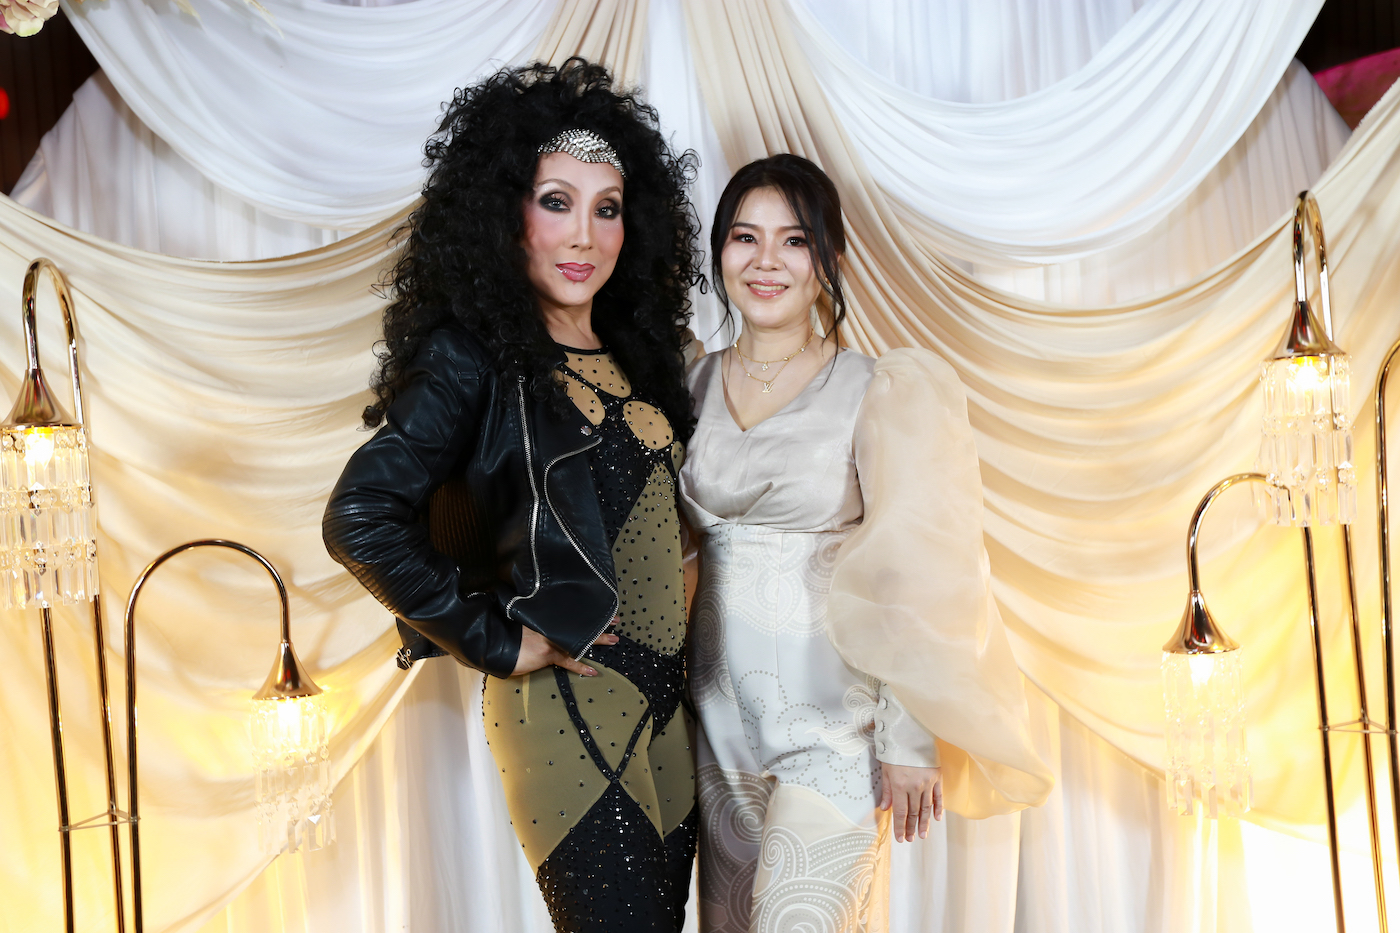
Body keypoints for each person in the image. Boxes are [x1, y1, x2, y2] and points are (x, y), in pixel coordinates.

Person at [322, 59, 704, 933]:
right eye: (556, 201)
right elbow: (359, 517)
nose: (585, 236)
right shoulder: (471, 358)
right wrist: (497, 638)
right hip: (568, 705)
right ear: (505, 214)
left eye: (608, 207)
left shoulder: (643, 356)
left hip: (670, 711)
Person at [680, 154, 1052, 933]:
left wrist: (909, 736)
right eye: (745, 238)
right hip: (715, 739)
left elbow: (920, 570)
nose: (766, 261)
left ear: (829, 259)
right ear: (719, 253)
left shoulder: (877, 388)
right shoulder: (690, 384)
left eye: (793, 240)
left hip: (833, 737)